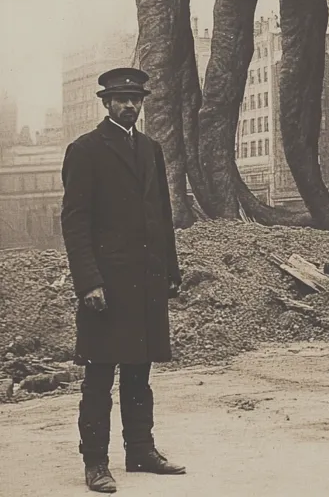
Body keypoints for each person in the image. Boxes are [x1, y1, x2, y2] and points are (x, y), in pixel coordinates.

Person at [61, 67, 185, 493]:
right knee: (99, 377)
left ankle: (141, 449)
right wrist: (88, 283)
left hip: (147, 283)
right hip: (107, 288)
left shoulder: (151, 149)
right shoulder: (86, 149)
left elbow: (162, 217)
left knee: (139, 373)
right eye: (121, 99)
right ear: (106, 104)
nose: (130, 105)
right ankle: (96, 462)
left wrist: (170, 271)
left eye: (136, 98)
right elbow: (75, 223)